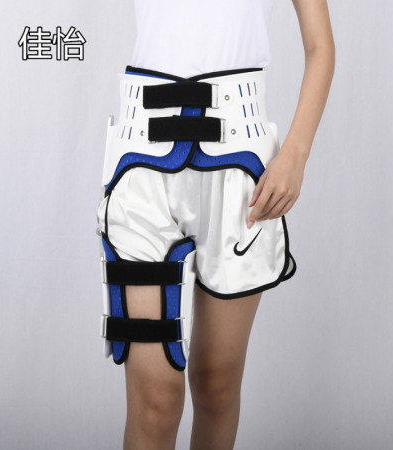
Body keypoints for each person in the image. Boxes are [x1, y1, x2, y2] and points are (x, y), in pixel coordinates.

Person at [96, 0, 335, 448]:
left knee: (217, 384)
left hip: (241, 172)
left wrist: (295, 156)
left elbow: (320, 46)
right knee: (155, 399)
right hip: (142, 169)